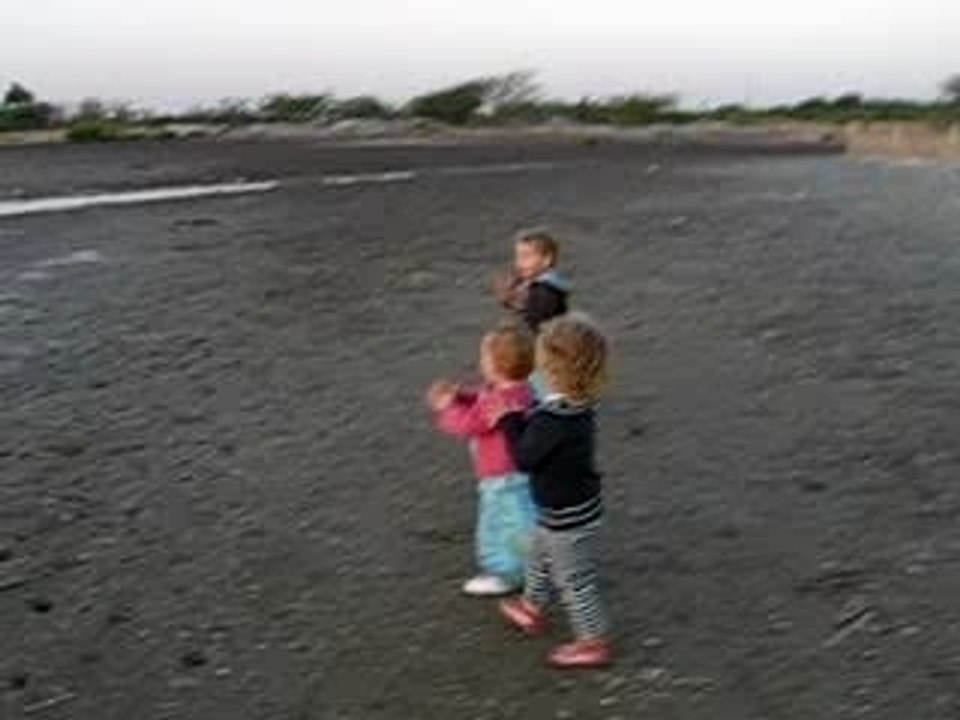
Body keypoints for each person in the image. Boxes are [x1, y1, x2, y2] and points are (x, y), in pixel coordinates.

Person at [494, 313, 612, 668]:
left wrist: (509, 420)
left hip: (566, 516)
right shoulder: (579, 405)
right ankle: (532, 606)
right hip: (574, 505)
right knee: (538, 554)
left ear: (552, 370)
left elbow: (524, 458)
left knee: (573, 581)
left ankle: (593, 641)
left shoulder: (551, 419)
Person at [426, 323, 538, 597]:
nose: (480, 362)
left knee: (497, 528)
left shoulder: (498, 399)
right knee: (522, 518)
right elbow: (482, 400)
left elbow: (468, 424)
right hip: (519, 472)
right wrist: (461, 396)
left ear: (497, 365)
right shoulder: (523, 389)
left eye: (484, 357)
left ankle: (506, 574)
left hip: (500, 477)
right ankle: (537, 563)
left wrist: (446, 406)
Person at [493, 229, 571, 335]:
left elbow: (535, 323)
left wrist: (515, 305)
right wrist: (510, 300)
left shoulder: (546, 291)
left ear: (546, 260)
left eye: (526, 257)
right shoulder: (536, 287)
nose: (519, 263)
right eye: (517, 257)